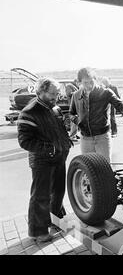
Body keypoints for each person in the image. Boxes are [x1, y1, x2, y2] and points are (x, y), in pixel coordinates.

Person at [17, 78, 73, 242]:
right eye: (52, 94)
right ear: (40, 92)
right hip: (42, 161)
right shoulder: (29, 112)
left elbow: (60, 129)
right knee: (41, 196)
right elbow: (24, 141)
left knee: (58, 192)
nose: (55, 97)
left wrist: (66, 141)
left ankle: (55, 220)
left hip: (59, 157)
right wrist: (50, 149)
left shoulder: (55, 108)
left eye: (57, 94)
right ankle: (38, 231)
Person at [69, 68, 123, 162]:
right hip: (85, 138)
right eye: (85, 83)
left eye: (91, 81)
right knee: (88, 168)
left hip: (102, 137)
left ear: (95, 79)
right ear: (80, 82)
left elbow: (120, 106)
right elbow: (71, 113)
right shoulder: (76, 95)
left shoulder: (106, 92)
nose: (89, 85)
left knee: (105, 167)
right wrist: (78, 121)